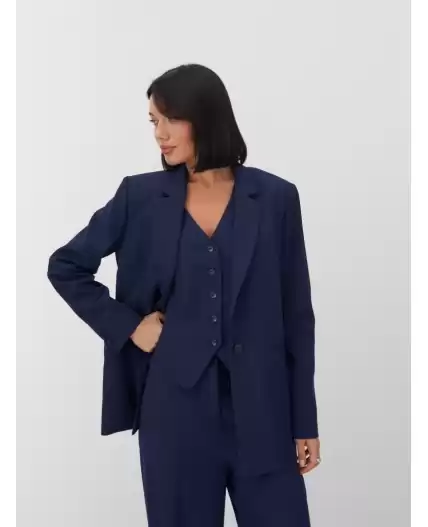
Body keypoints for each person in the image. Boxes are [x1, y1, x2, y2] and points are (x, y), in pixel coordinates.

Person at [47, 63, 321, 526]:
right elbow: (66, 265)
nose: (160, 133)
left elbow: (296, 314)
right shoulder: (139, 197)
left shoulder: (276, 198)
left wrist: (304, 421)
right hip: (173, 412)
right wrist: (129, 327)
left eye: (172, 119)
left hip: (264, 412)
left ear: (206, 116)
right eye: (154, 121)